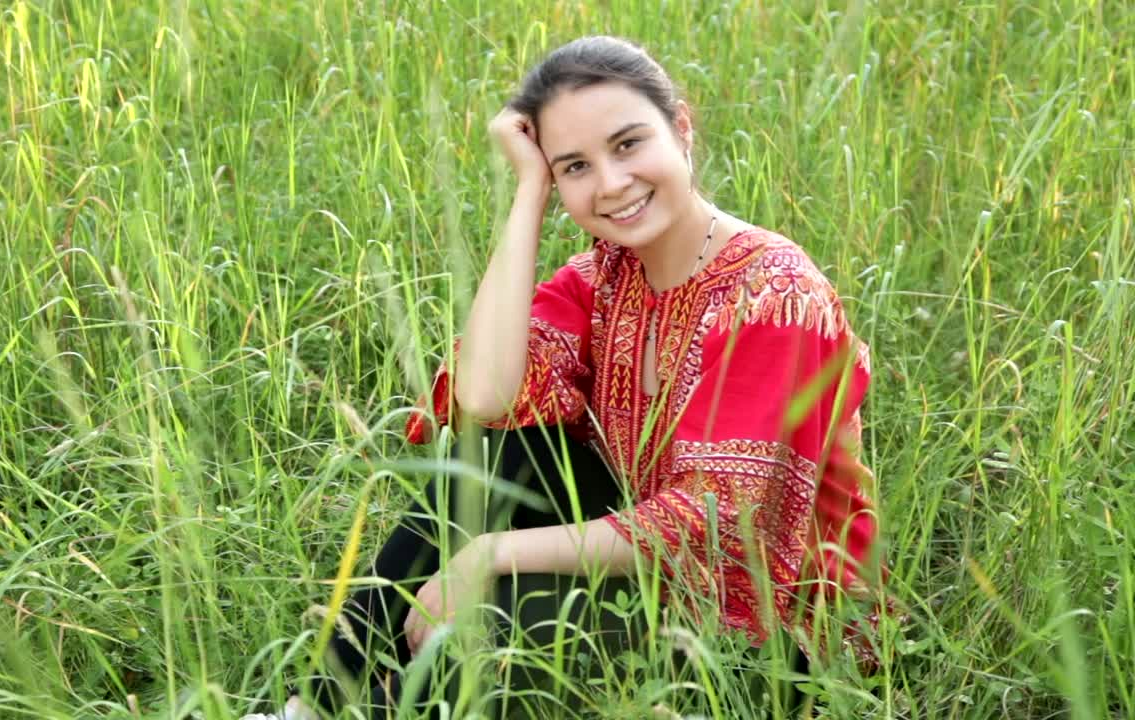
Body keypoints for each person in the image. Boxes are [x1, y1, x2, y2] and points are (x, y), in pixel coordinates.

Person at [246, 34, 885, 720]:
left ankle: (381, 701)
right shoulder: (602, 274)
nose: (610, 184)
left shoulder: (771, 292)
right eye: (575, 166)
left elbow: (714, 516)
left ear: (682, 128)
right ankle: (304, 708)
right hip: (649, 576)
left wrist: (490, 553)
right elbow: (485, 399)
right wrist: (527, 192)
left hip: (760, 632)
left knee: (501, 623)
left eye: (629, 144)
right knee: (493, 455)